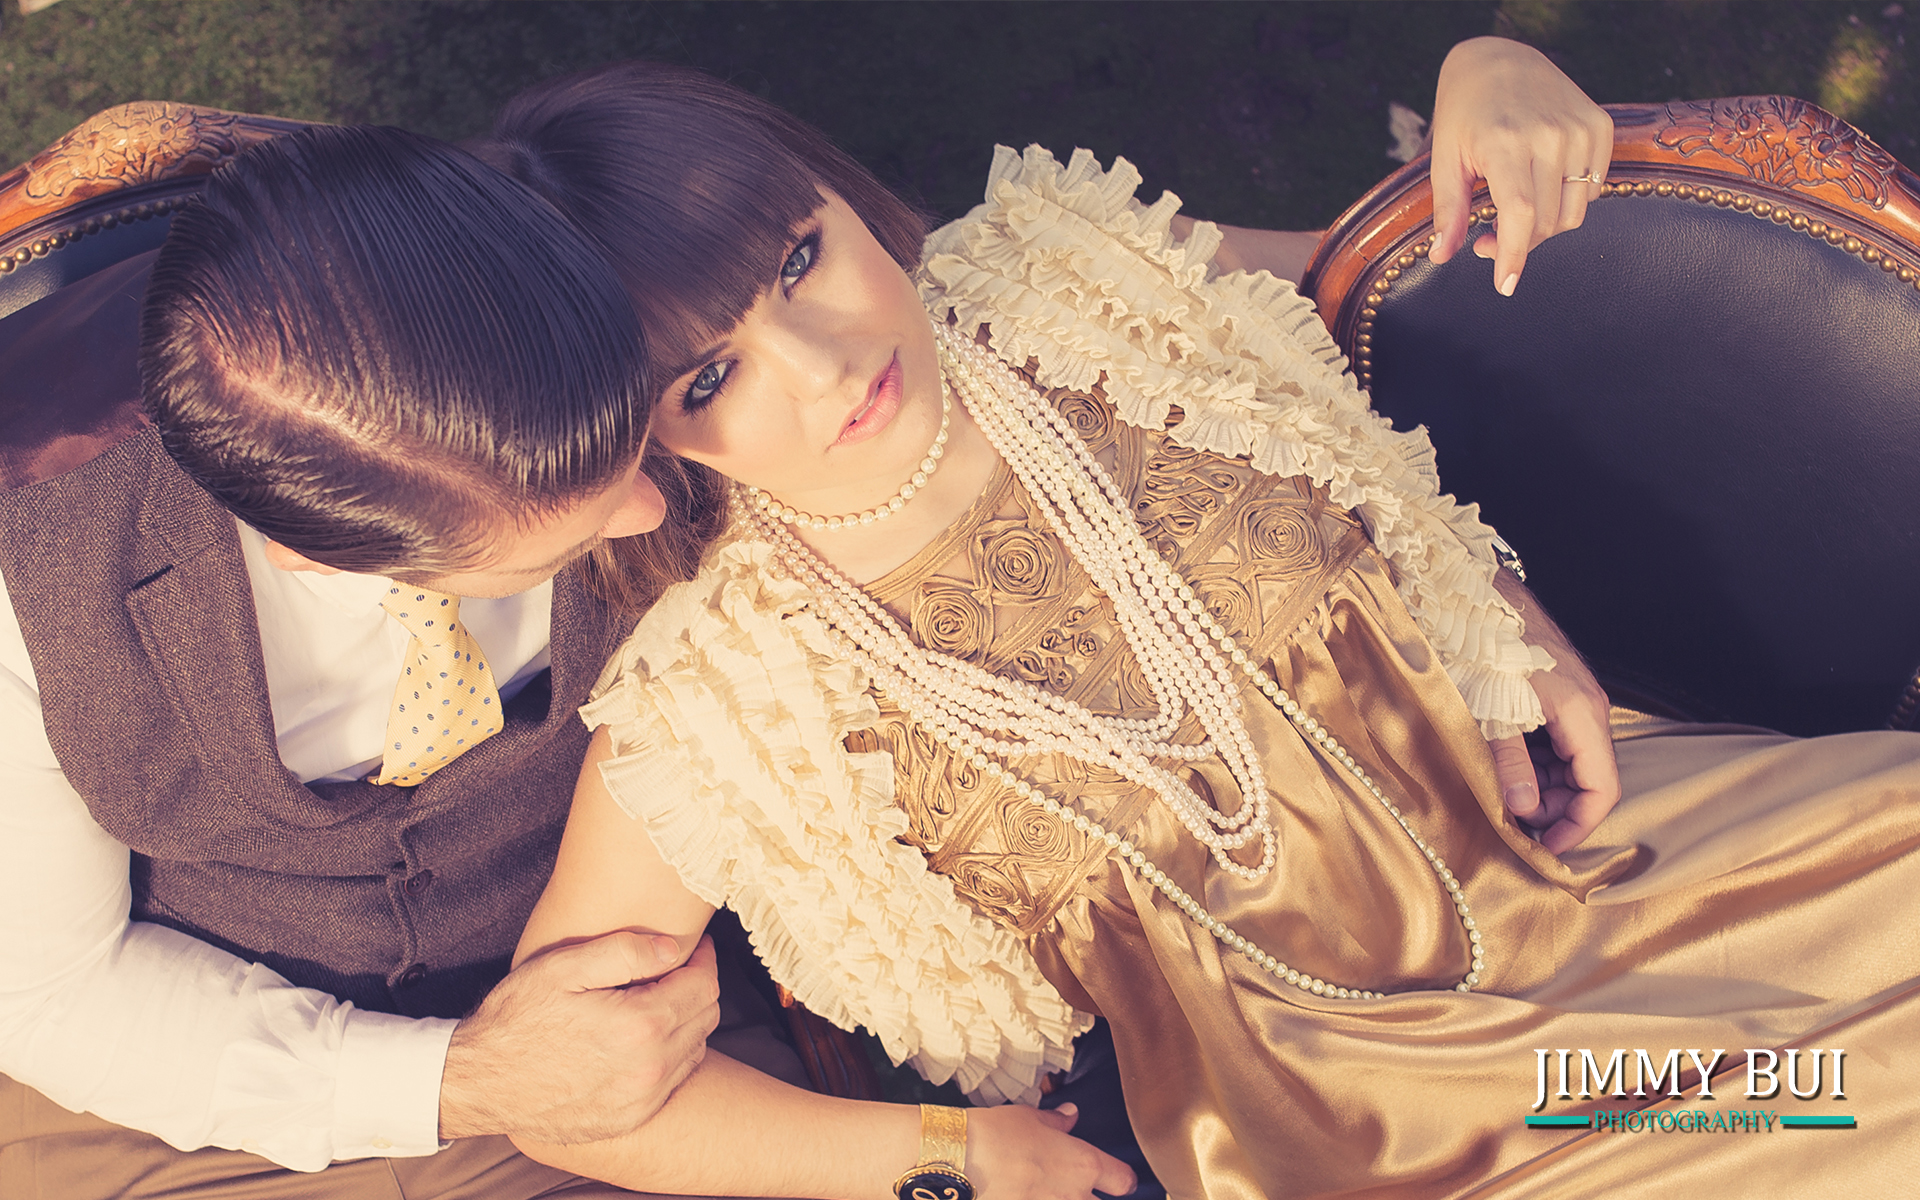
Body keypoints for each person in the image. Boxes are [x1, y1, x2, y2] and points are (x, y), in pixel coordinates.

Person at [478, 39, 1920, 1200]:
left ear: (832, 188)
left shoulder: (1066, 277)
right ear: (648, 441)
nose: (820, 359)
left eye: (797, 260)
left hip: (1599, 845)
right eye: (708, 380)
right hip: (1366, 1112)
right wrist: (940, 1160)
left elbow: (1404, 260)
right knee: (1841, 1131)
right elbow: (585, 1104)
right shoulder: (727, 699)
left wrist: (1492, 67)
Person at [0, 123, 803, 1199]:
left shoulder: (649, 338)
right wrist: (462, 1081)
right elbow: (53, 991)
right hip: (187, 1087)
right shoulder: (36, 578)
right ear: (316, 549)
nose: (650, 508)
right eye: (562, 542)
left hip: (645, 1039)